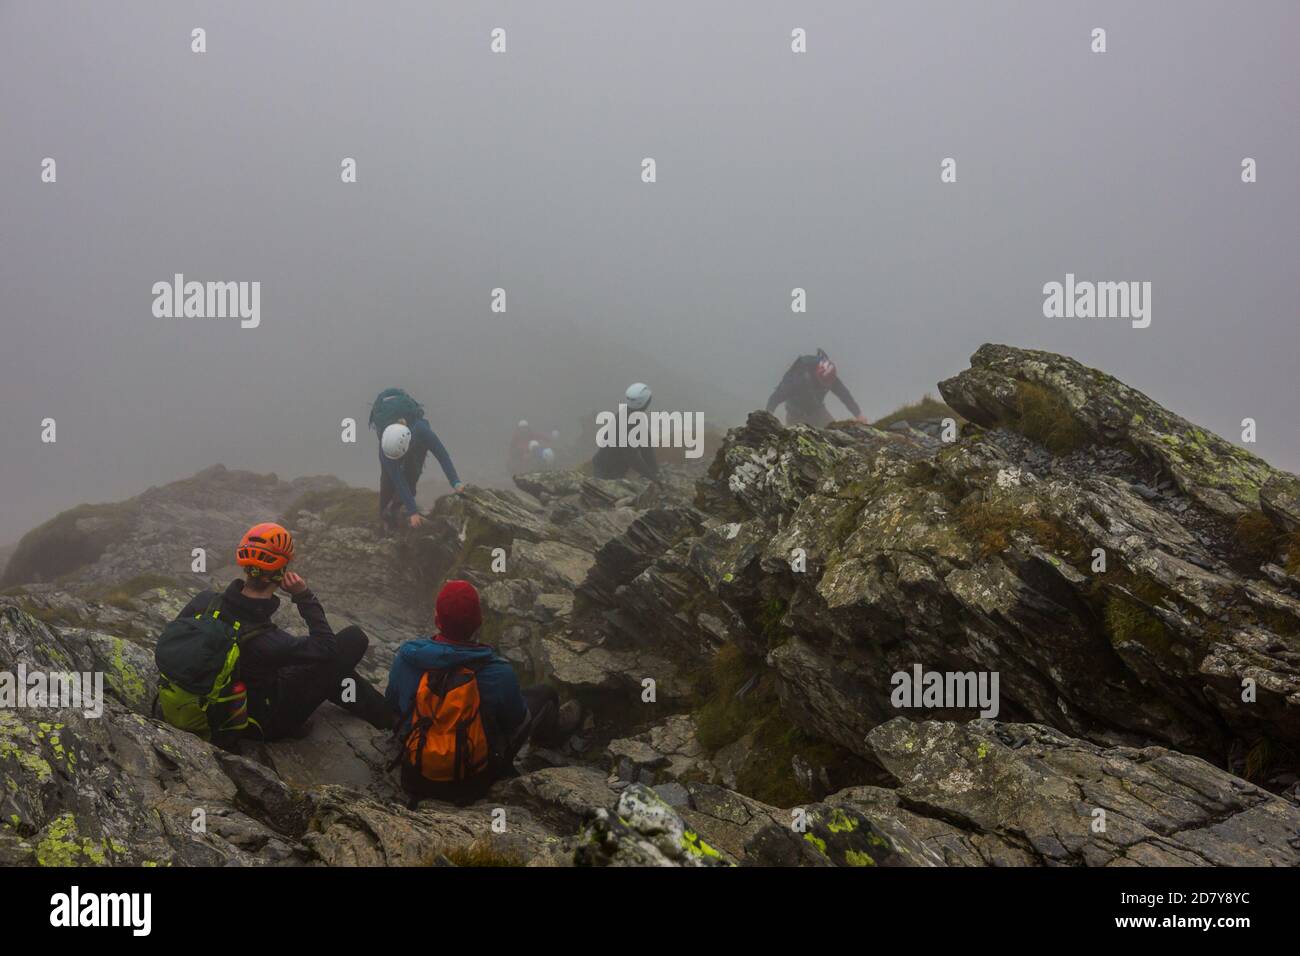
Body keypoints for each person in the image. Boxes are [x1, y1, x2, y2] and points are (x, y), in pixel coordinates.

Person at [174, 522, 396, 741]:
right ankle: (393, 721)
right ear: (282, 572)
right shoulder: (270, 641)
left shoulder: (205, 601)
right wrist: (304, 596)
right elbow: (327, 647)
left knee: (327, 669)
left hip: (212, 700)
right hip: (262, 723)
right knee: (352, 639)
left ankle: (387, 717)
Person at [386, 580, 562, 803]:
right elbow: (515, 721)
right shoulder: (499, 672)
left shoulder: (406, 658)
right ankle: (548, 747)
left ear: (437, 619)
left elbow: (392, 706)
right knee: (545, 694)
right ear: (479, 623)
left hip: (414, 776)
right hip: (470, 785)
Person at [369, 388, 466, 531]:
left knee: (412, 474)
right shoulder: (387, 447)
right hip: (392, 444)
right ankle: (385, 516)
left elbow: (442, 456)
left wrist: (456, 482)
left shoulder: (422, 431)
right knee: (387, 480)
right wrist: (413, 511)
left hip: (416, 445)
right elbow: (397, 477)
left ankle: (398, 508)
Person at [765, 349, 869, 428]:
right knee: (791, 443)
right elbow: (776, 397)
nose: (827, 385)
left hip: (817, 410)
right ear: (816, 375)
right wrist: (768, 415)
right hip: (795, 414)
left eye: (830, 382)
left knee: (834, 432)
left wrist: (858, 414)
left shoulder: (830, 377)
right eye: (824, 382)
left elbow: (844, 395)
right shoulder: (797, 380)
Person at [591, 382, 660, 480]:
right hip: (608, 470)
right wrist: (651, 476)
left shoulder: (629, 414)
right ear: (646, 402)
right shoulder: (632, 421)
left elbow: (646, 447)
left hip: (605, 465)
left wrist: (654, 471)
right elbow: (631, 456)